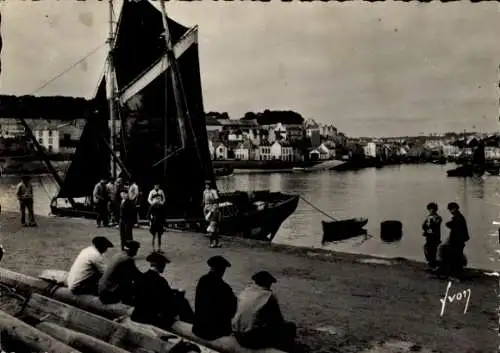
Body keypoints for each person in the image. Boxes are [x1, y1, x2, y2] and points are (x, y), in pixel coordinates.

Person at [232, 271, 296, 351]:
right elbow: (279, 321)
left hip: (237, 335)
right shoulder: (269, 296)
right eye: (270, 284)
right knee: (290, 326)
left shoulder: (245, 292)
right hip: (250, 339)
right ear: (267, 283)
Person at [131, 252, 194, 330]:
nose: (164, 267)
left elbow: (156, 291)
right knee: (182, 301)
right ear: (160, 265)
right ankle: (190, 324)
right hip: (152, 316)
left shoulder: (141, 277)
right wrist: (179, 293)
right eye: (163, 265)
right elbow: (166, 297)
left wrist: (174, 291)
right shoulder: (160, 280)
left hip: (138, 313)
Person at [192, 256, 237, 340]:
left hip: (198, 327)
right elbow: (232, 309)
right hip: (214, 332)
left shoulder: (202, 280)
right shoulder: (224, 287)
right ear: (222, 270)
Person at [98, 240, 142, 305]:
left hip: (102, 290)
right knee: (134, 286)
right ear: (133, 249)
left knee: (127, 280)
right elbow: (137, 276)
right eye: (136, 249)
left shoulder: (118, 255)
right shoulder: (127, 259)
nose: (137, 252)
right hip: (109, 294)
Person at [437, 202, 470, 278]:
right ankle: (452, 271)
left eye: (451, 209)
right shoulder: (459, 217)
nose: (450, 211)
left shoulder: (457, 217)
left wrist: (449, 224)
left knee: (443, 249)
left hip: (457, 240)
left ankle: (447, 271)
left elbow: (455, 228)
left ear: (454, 209)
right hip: (459, 240)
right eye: (450, 210)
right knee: (453, 254)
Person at [421, 202, 442, 270]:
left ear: (435, 209)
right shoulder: (429, 217)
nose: (431, 210)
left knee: (433, 250)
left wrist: (428, 229)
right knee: (427, 248)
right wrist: (427, 229)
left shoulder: (438, 217)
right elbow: (424, 226)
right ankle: (431, 264)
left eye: (433, 209)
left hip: (435, 236)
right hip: (430, 236)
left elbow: (434, 225)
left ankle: (433, 265)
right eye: (430, 209)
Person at [202, 180, 221, 248]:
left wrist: (213, 210)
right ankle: (215, 243)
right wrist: (204, 210)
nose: (207, 186)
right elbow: (204, 201)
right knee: (212, 227)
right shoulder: (204, 192)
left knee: (212, 227)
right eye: (206, 184)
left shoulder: (213, 191)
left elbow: (216, 201)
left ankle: (213, 243)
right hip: (207, 209)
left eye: (208, 184)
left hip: (213, 210)